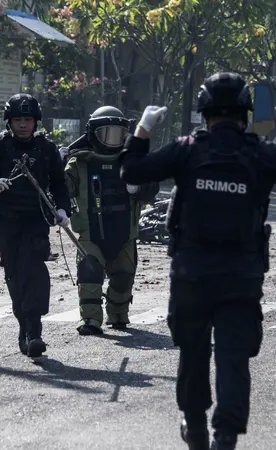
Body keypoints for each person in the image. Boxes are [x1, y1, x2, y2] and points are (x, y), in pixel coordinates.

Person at [118, 72, 276, 450]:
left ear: (205, 115)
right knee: (233, 358)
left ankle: (195, 427)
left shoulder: (186, 149)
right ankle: (226, 436)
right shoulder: (261, 154)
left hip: (191, 275)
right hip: (241, 276)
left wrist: (142, 130)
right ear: (245, 115)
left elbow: (132, 172)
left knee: (193, 351)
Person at [0, 93, 72, 358]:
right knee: (14, 275)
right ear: (9, 122)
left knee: (34, 269)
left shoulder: (47, 150)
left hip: (35, 221)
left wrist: (62, 209)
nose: (23, 125)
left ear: (36, 122)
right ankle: (23, 327)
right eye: (17, 120)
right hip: (5, 222)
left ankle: (35, 332)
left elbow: (60, 184)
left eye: (27, 119)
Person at [59, 106, 160, 335]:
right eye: (107, 133)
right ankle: (91, 320)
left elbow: (151, 188)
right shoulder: (79, 163)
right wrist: (56, 166)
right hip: (90, 232)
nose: (113, 140)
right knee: (90, 271)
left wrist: (139, 187)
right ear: (93, 134)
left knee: (124, 277)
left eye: (119, 134)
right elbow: (63, 188)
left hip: (125, 232)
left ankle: (117, 314)